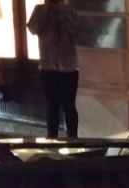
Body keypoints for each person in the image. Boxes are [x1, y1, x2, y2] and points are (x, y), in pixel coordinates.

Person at [27, 0, 84, 138]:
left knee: (69, 106)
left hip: (68, 68)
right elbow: (33, 28)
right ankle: (51, 138)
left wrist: (62, 13)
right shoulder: (39, 10)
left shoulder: (69, 11)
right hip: (48, 67)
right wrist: (46, 10)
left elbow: (77, 32)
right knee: (52, 107)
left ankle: (73, 138)